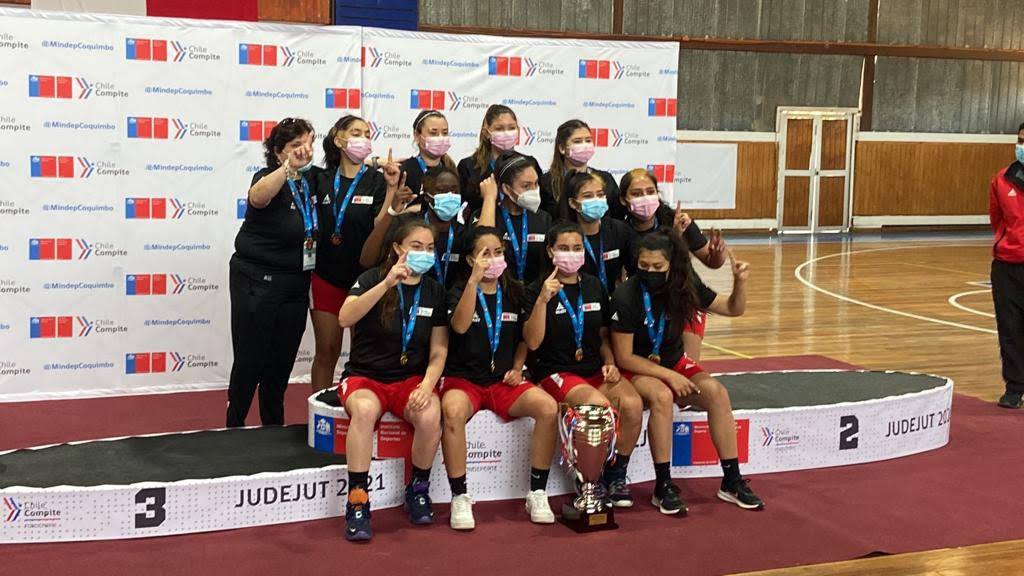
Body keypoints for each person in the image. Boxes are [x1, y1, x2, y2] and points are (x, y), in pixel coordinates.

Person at [609, 228, 764, 514]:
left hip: (673, 362)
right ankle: (663, 485)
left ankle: (732, 480)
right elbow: (624, 357)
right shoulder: (626, 295)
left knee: (717, 393)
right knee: (662, 396)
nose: (650, 272)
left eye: (657, 267)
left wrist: (740, 282)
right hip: (637, 367)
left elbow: (733, 309)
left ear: (671, 265)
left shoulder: (684, 286)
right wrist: (670, 376)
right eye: (644, 265)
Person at [337, 219, 448, 541]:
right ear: (398, 248)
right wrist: (386, 284)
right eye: (417, 246)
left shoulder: (434, 291)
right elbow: (345, 318)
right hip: (366, 377)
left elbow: (439, 351)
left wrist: (427, 385)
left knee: (430, 414)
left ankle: (418, 489)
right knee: (364, 410)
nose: (424, 253)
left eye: (430, 248)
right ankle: (358, 500)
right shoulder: (372, 278)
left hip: (409, 380)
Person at [441, 226, 558, 530]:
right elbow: (460, 326)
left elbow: (527, 341)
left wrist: (518, 367)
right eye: (485, 254)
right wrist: (473, 282)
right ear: (470, 259)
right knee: (452, 411)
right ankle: (459, 495)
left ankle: (537, 492)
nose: (493, 259)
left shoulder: (516, 292)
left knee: (548, 408)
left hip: (502, 381)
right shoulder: (457, 291)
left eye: (498, 253)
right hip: (463, 380)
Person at [522, 221, 644, 508]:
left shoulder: (593, 285)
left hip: (593, 368)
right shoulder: (535, 289)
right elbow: (532, 342)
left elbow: (602, 335)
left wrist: (610, 361)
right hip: (556, 371)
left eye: (577, 248)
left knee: (633, 405)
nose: (571, 253)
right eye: (564, 248)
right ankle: (590, 480)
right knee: (598, 406)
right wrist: (542, 301)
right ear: (550, 251)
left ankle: (615, 475)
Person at [226, 118, 319, 428]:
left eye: (308, 144)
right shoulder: (268, 176)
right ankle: (234, 425)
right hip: (257, 280)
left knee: (281, 362)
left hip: (296, 283)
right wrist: (287, 168)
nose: (304, 151)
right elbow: (257, 197)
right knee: (250, 358)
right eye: (295, 146)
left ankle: (273, 428)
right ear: (279, 152)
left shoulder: (312, 180)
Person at [308, 115, 394, 394]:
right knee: (327, 351)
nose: (363, 139)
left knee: (362, 354)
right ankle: (318, 412)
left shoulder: (378, 181)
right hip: (326, 277)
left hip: (364, 280)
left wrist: (391, 191)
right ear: (339, 140)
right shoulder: (320, 179)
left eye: (367, 134)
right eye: (356, 133)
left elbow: (379, 226)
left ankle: (357, 408)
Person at [619, 167, 728, 361]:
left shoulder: (675, 218)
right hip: (645, 304)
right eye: (637, 193)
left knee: (688, 367)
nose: (645, 198)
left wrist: (717, 253)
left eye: (650, 191)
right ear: (624, 199)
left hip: (683, 297)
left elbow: (712, 262)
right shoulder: (620, 229)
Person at [474, 152, 552, 284]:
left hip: (536, 291)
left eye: (536, 184)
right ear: (506, 189)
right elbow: (482, 248)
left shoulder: (544, 218)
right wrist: (489, 198)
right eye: (526, 186)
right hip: (498, 289)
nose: (534, 190)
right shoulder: (487, 214)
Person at [991, 122, 1024, 409]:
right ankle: (1014, 387)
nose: (1022, 146)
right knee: (1010, 328)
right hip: (1007, 266)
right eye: (1021, 140)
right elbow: (997, 219)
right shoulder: (1002, 179)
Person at [457, 104, 543, 215]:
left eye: (511, 128)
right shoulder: (468, 166)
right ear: (486, 133)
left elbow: (540, 202)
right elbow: (462, 206)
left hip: (523, 222)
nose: (506, 133)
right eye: (499, 129)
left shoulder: (529, 163)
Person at [558, 171, 635, 292]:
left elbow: (634, 269)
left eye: (600, 195)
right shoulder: (563, 236)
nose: (596, 200)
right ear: (573, 203)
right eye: (588, 196)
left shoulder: (620, 230)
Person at [540, 119, 621, 220]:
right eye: (577, 141)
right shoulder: (547, 182)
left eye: (588, 140)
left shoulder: (605, 179)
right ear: (562, 148)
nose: (585, 145)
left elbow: (617, 216)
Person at [399, 109, 459, 211]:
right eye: (433, 133)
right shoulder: (406, 170)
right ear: (417, 135)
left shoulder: (451, 170)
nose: (440, 138)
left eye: (445, 133)